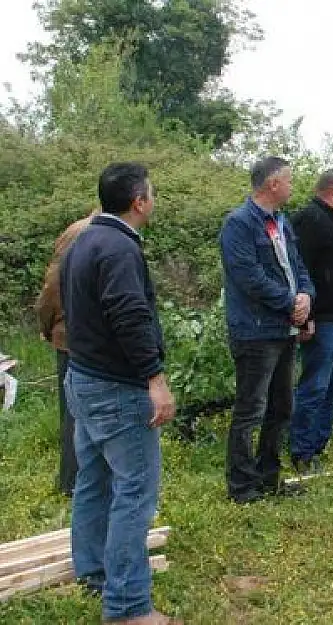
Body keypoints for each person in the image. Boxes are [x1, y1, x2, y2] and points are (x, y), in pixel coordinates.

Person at [61, 162, 180, 624]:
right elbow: (129, 316)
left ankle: (93, 570)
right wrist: (154, 378)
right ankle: (129, 608)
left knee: (94, 480)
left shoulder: (84, 240)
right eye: (151, 192)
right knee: (135, 493)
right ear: (139, 201)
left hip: (84, 378)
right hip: (117, 388)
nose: (153, 199)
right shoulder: (118, 248)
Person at [220, 156, 314, 504]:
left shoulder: (282, 222)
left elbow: (297, 266)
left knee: (281, 407)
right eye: (288, 180)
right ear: (272, 184)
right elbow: (248, 277)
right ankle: (242, 486)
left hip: (285, 329)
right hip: (256, 332)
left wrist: (305, 296)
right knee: (250, 409)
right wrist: (290, 302)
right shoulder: (239, 224)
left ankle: (269, 477)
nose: (292, 186)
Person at [287, 169, 333, 474]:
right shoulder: (310, 220)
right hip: (323, 320)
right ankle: (301, 451)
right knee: (315, 386)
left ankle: (317, 443)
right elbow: (299, 270)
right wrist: (306, 319)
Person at [35, 210, 97, 497]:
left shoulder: (91, 231)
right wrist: (49, 327)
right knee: (77, 413)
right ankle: (73, 484)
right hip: (75, 337)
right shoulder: (85, 233)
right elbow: (53, 286)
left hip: (79, 336)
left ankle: (80, 482)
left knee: (81, 412)